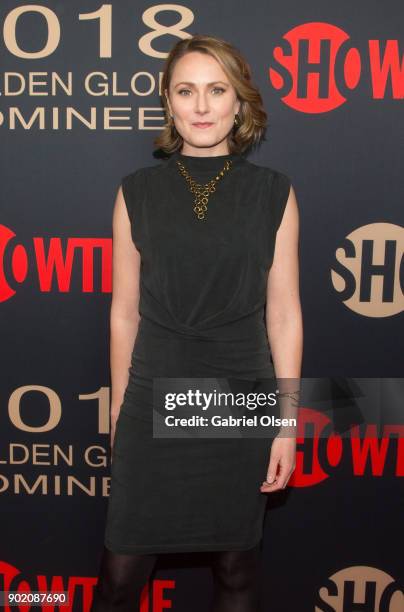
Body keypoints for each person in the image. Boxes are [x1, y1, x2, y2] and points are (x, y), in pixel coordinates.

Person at [91, 34, 302, 612]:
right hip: (152, 394)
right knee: (118, 578)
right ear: (168, 101)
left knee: (237, 571)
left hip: (241, 396)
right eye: (187, 91)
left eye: (217, 90)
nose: (202, 106)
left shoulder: (272, 192)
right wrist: (120, 407)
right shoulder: (136, 192)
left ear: (240, 102)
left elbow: (283, 313)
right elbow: (124, 311)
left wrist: (284, 422)